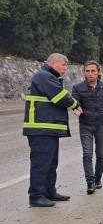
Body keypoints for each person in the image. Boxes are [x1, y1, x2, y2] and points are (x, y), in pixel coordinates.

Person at [22, 53, 83, 207]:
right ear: (53, 63)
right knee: (41, 163)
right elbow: (59, 97)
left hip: (47, 128)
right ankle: (36, 195)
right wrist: (75, 104)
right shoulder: (44, 76)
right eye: (64, 65)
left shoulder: (49, 76)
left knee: (50, 163)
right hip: (40, 128)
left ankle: (49, 191)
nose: (66, 68)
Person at [72, 60, 103, 194]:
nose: (90, 74)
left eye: (93, 71)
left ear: (98, 73)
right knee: (87, 154)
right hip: (86, 125)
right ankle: (90, 182)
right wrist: (76, 109)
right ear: (84, 73)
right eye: (87, 71)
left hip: (101, 125)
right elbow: (75, 103)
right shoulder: (78, 88)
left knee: (100, 155)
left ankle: (98, 179)